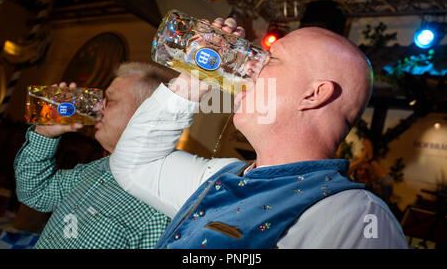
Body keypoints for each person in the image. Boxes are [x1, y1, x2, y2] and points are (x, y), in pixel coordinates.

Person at [110, 18, 408, 248]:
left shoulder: (356, 217)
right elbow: (136, 165)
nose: (250, 64)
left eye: (270, 59)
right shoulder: (223, 176)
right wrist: (194, 78)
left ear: (314, 94)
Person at [14, 62, 174, 249]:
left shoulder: (162, 205)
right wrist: (45, 133)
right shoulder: (98, 169)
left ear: (147, 113)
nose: (97, 109)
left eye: (110, 100)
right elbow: (35, 193)